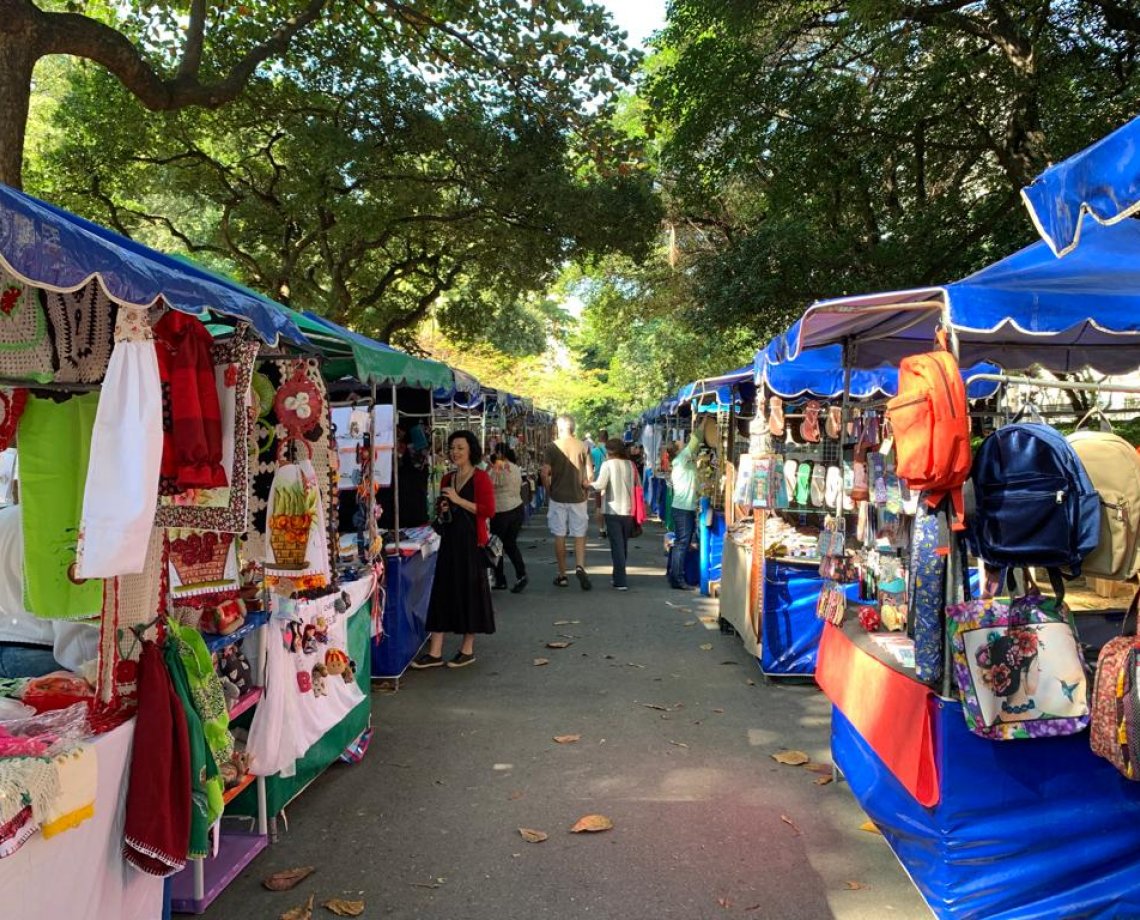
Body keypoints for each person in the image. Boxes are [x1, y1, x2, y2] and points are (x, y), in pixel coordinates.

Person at [411, 430, 496, 669]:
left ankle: (466, 649)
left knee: (470, 593)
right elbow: (444, 509)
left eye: (460, 447)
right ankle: (435, 652)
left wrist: (458, 500)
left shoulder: (480, 478)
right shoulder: (447, 479)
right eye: (452, 447)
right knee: (442, 593)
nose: (455, 452)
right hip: (449, 542)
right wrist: (445, 508)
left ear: (471, 450)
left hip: (471, 544)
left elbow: (488, 510)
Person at [0, 504, 99, 678]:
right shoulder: (63, 525)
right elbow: (71, 609)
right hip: (37, 650)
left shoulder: (7, 517)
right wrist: (91, 669)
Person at [541, 414, 592, 590]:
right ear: (573, 427)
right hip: (578, 497)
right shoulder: (583, 446)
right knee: (580, 534)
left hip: (558, 497)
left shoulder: (552, 447)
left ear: (560, 428)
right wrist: (585, 490)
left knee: (559, 535)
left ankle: (562, 575)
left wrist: (549, 491)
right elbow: (590, 476)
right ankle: (580, 566)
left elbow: (544, 473)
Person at [668, 420, 712, 590]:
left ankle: (676, 577)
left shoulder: (683, 462)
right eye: (680, 443)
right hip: (683, 508)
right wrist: (705, 420)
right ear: (678, 449)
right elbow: (695, 441)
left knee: (682, 542)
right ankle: (677, 579)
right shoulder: (681, 460)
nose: (682, 442)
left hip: (684, 507)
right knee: (682, 543)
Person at [589, 438, 636, 590]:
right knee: (623, 544)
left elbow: (600, 485)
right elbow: (638, 485)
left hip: (612, 509)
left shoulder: (607, 465)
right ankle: (618, 576)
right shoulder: (631, 465)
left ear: (609, 452)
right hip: (629, 510)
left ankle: (621, 581)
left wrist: (587, 484)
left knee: (617, 545)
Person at [488, 444, 528, 593]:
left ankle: (500, 579)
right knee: (510, 544)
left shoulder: (498, 467)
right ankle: (521, 574)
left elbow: (489, 483)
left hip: (501, 511)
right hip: (517, 508)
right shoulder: (515, 467)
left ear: (498, 453)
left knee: (496, 546)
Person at [590, 429, 609, 539]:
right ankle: (611, 528)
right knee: (610, 505)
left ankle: (601, 530)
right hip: (610, 481)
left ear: (599, 438)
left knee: (599, 506)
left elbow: (590, 467)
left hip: (598, 481)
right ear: (607, 438)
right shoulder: (612, 450)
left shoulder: (594, 451)